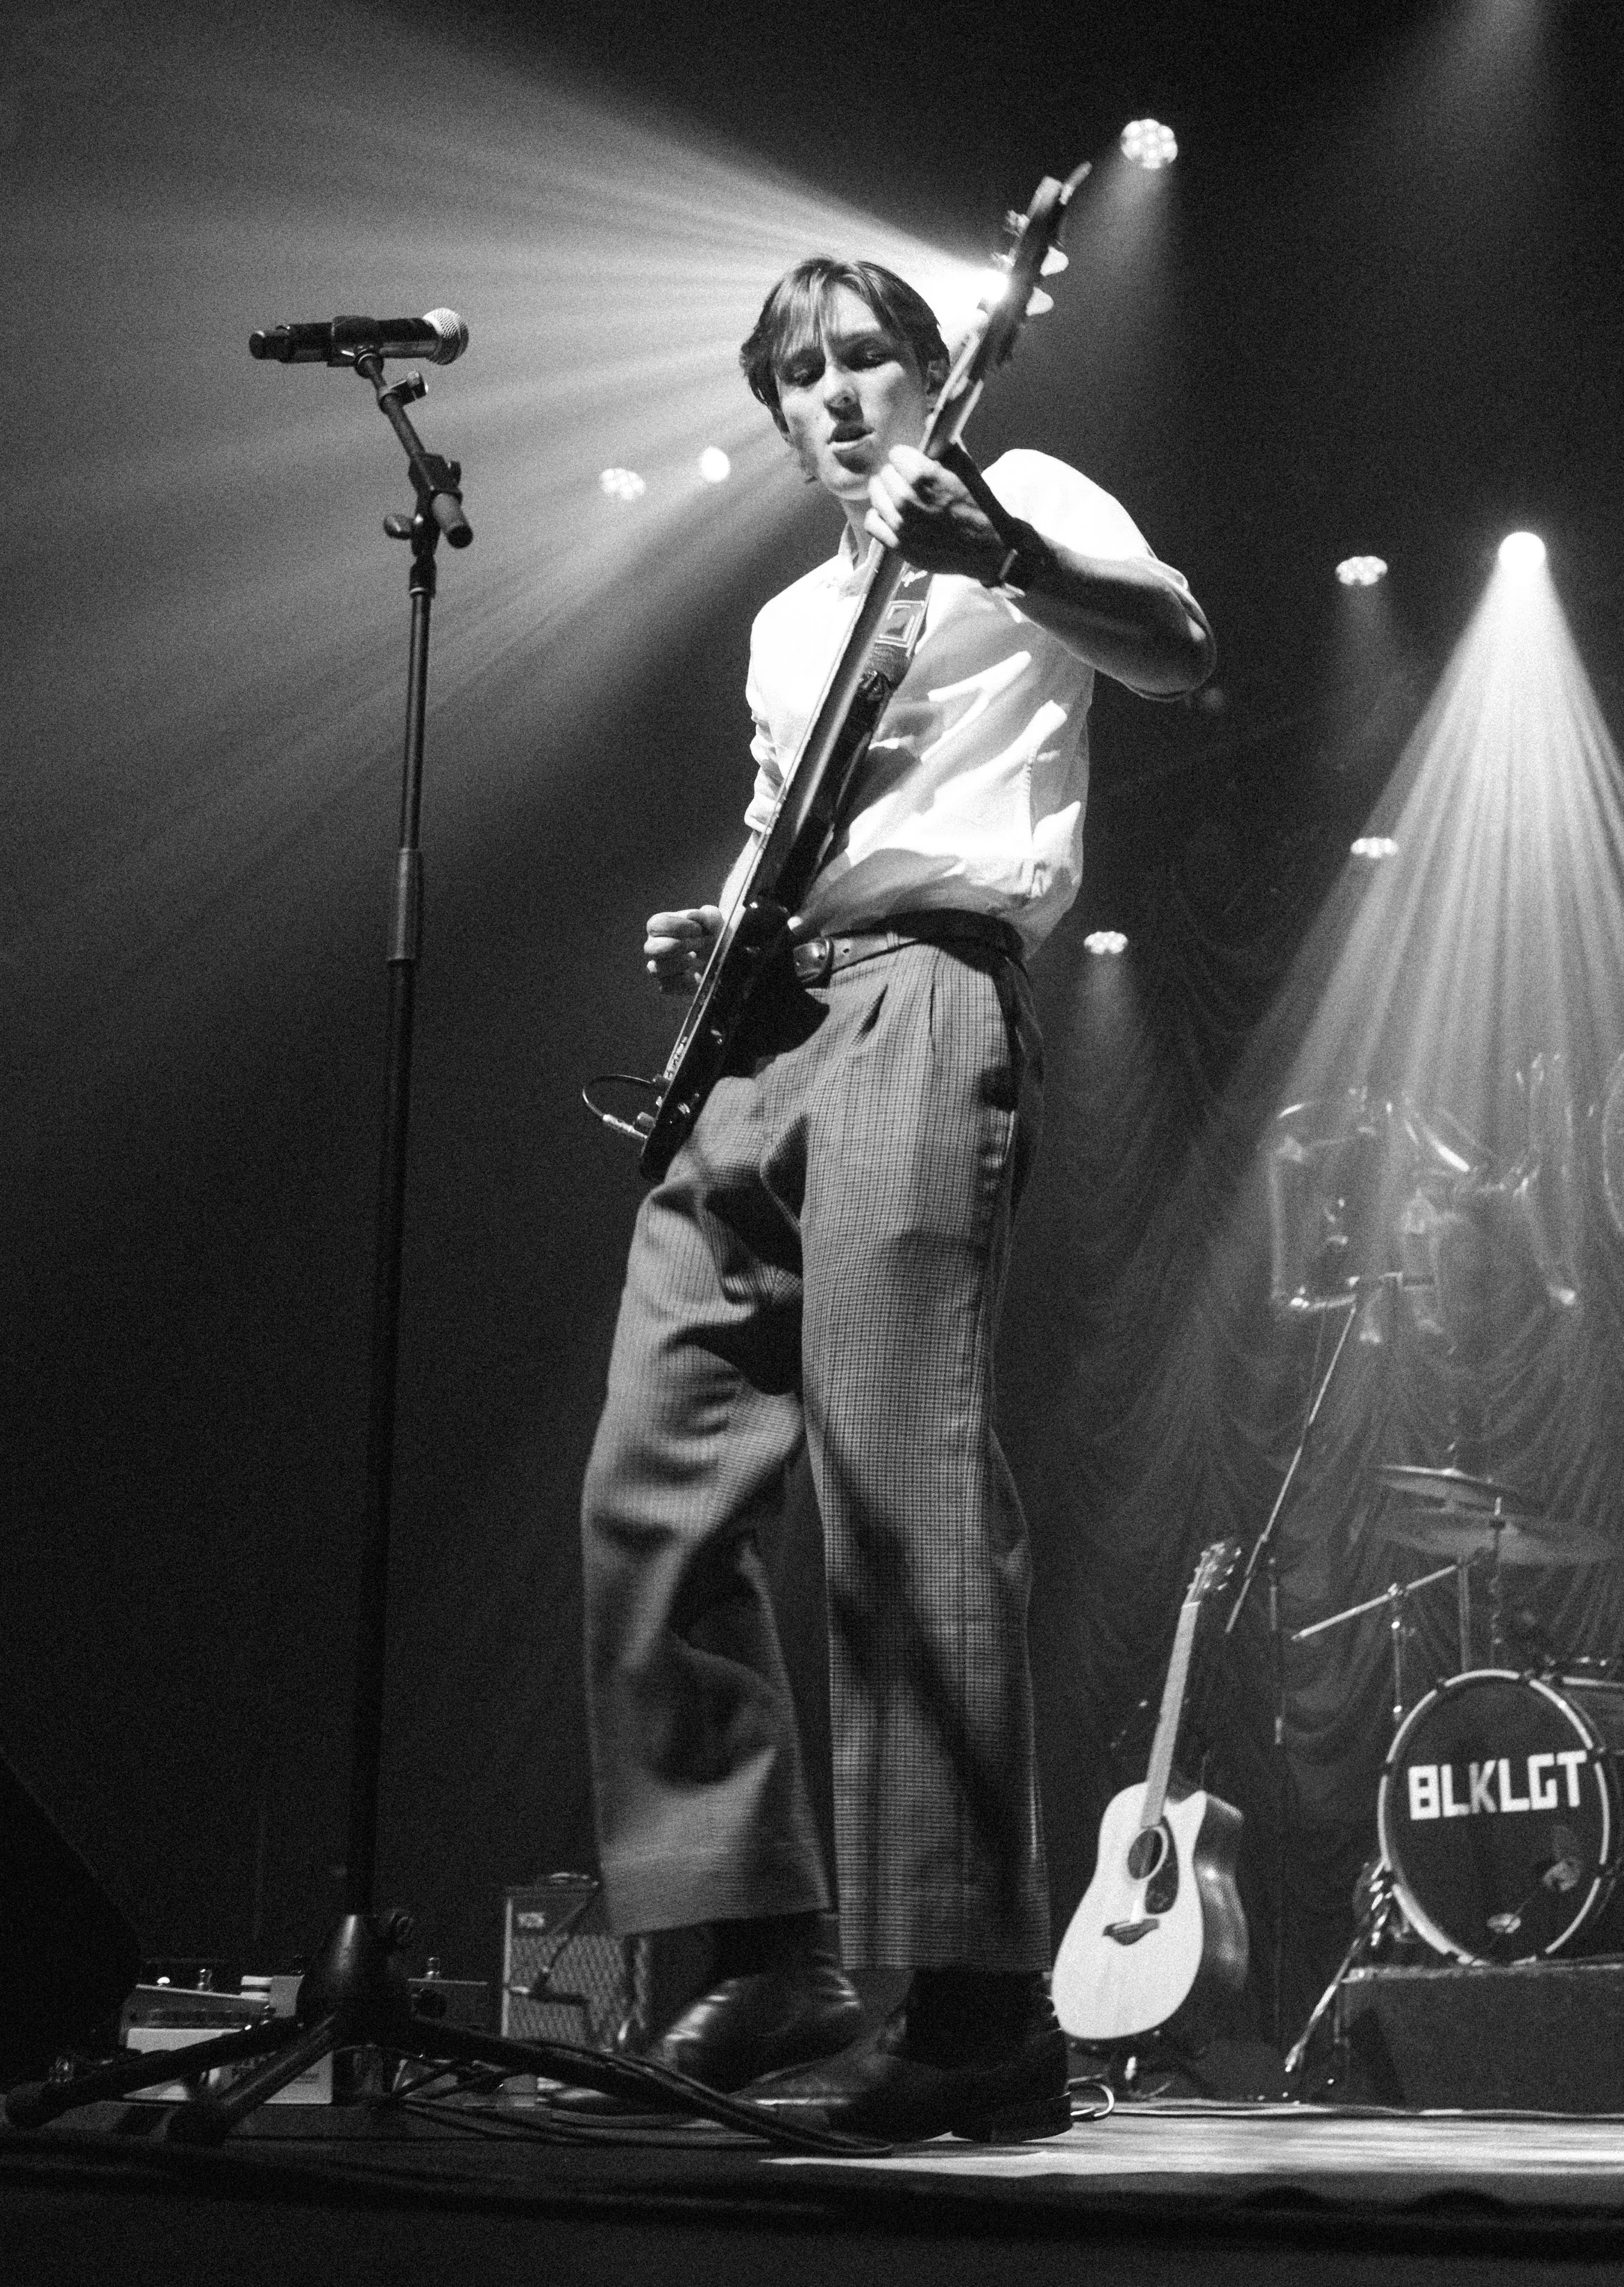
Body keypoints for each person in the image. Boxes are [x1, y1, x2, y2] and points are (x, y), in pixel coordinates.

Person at [581, 255, 1213, 2140]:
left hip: (925, 998)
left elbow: (1181, 647)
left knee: (896, 1477)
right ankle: (759, 1946)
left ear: (933, 373)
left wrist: (1000, 553)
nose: (832, 391)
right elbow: (812, 829)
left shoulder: (1025, 502)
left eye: (863, 356)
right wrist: (728, 913)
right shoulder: (787, 622)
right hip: (761, 1024)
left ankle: (967, 2000)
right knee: (649, 1475)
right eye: (796, 372)